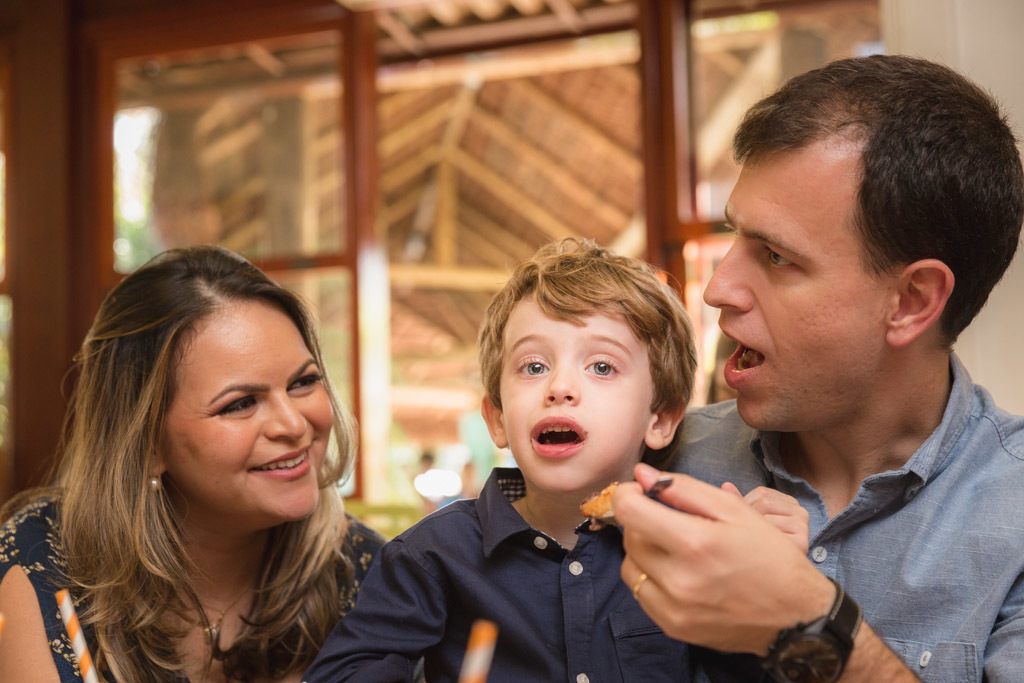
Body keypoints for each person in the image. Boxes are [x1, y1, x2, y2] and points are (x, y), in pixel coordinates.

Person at [612, 54, 1024, 683]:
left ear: (910, 301)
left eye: (775, 256)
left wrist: (810, 624)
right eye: (735, 238)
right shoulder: (656, 463)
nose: (718, 288)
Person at [304, 238, 808, 683]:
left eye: (602, 366)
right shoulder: (433, 556)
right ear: (497, 419)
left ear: (659, 418)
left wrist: (779, 592)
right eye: (534, 366)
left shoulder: (688, 547)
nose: (560, 388)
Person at [0, 246, 385, 682]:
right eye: (240, 403)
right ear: (144, 442)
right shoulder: (40, 563)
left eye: (304, 382)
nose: (295, 424)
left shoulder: (371, 572)